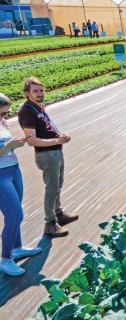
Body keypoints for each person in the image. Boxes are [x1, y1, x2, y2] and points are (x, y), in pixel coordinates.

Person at [18, 77, 78, 237]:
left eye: (41, 90)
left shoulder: (37, 108)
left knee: (57, 185)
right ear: (27, 93)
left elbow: (47, 129)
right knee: (51, 188)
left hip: (55, 152)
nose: (39, 93)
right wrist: (57, 140)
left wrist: (60, 136)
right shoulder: (27, 111)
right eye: (35, 91)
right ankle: (50, 223)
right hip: (46, 155)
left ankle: (58, 214)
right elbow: (31, 140)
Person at [0, 93, 42, 276]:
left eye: (6, 113)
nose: (4, 117)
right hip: (1, 177)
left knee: (14, 215)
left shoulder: (2, 123)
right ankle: (5, 259)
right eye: (1, 113)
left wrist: (15, 144)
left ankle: (16, 248)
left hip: (14, 171)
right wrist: (9, 146)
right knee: (15, 216)